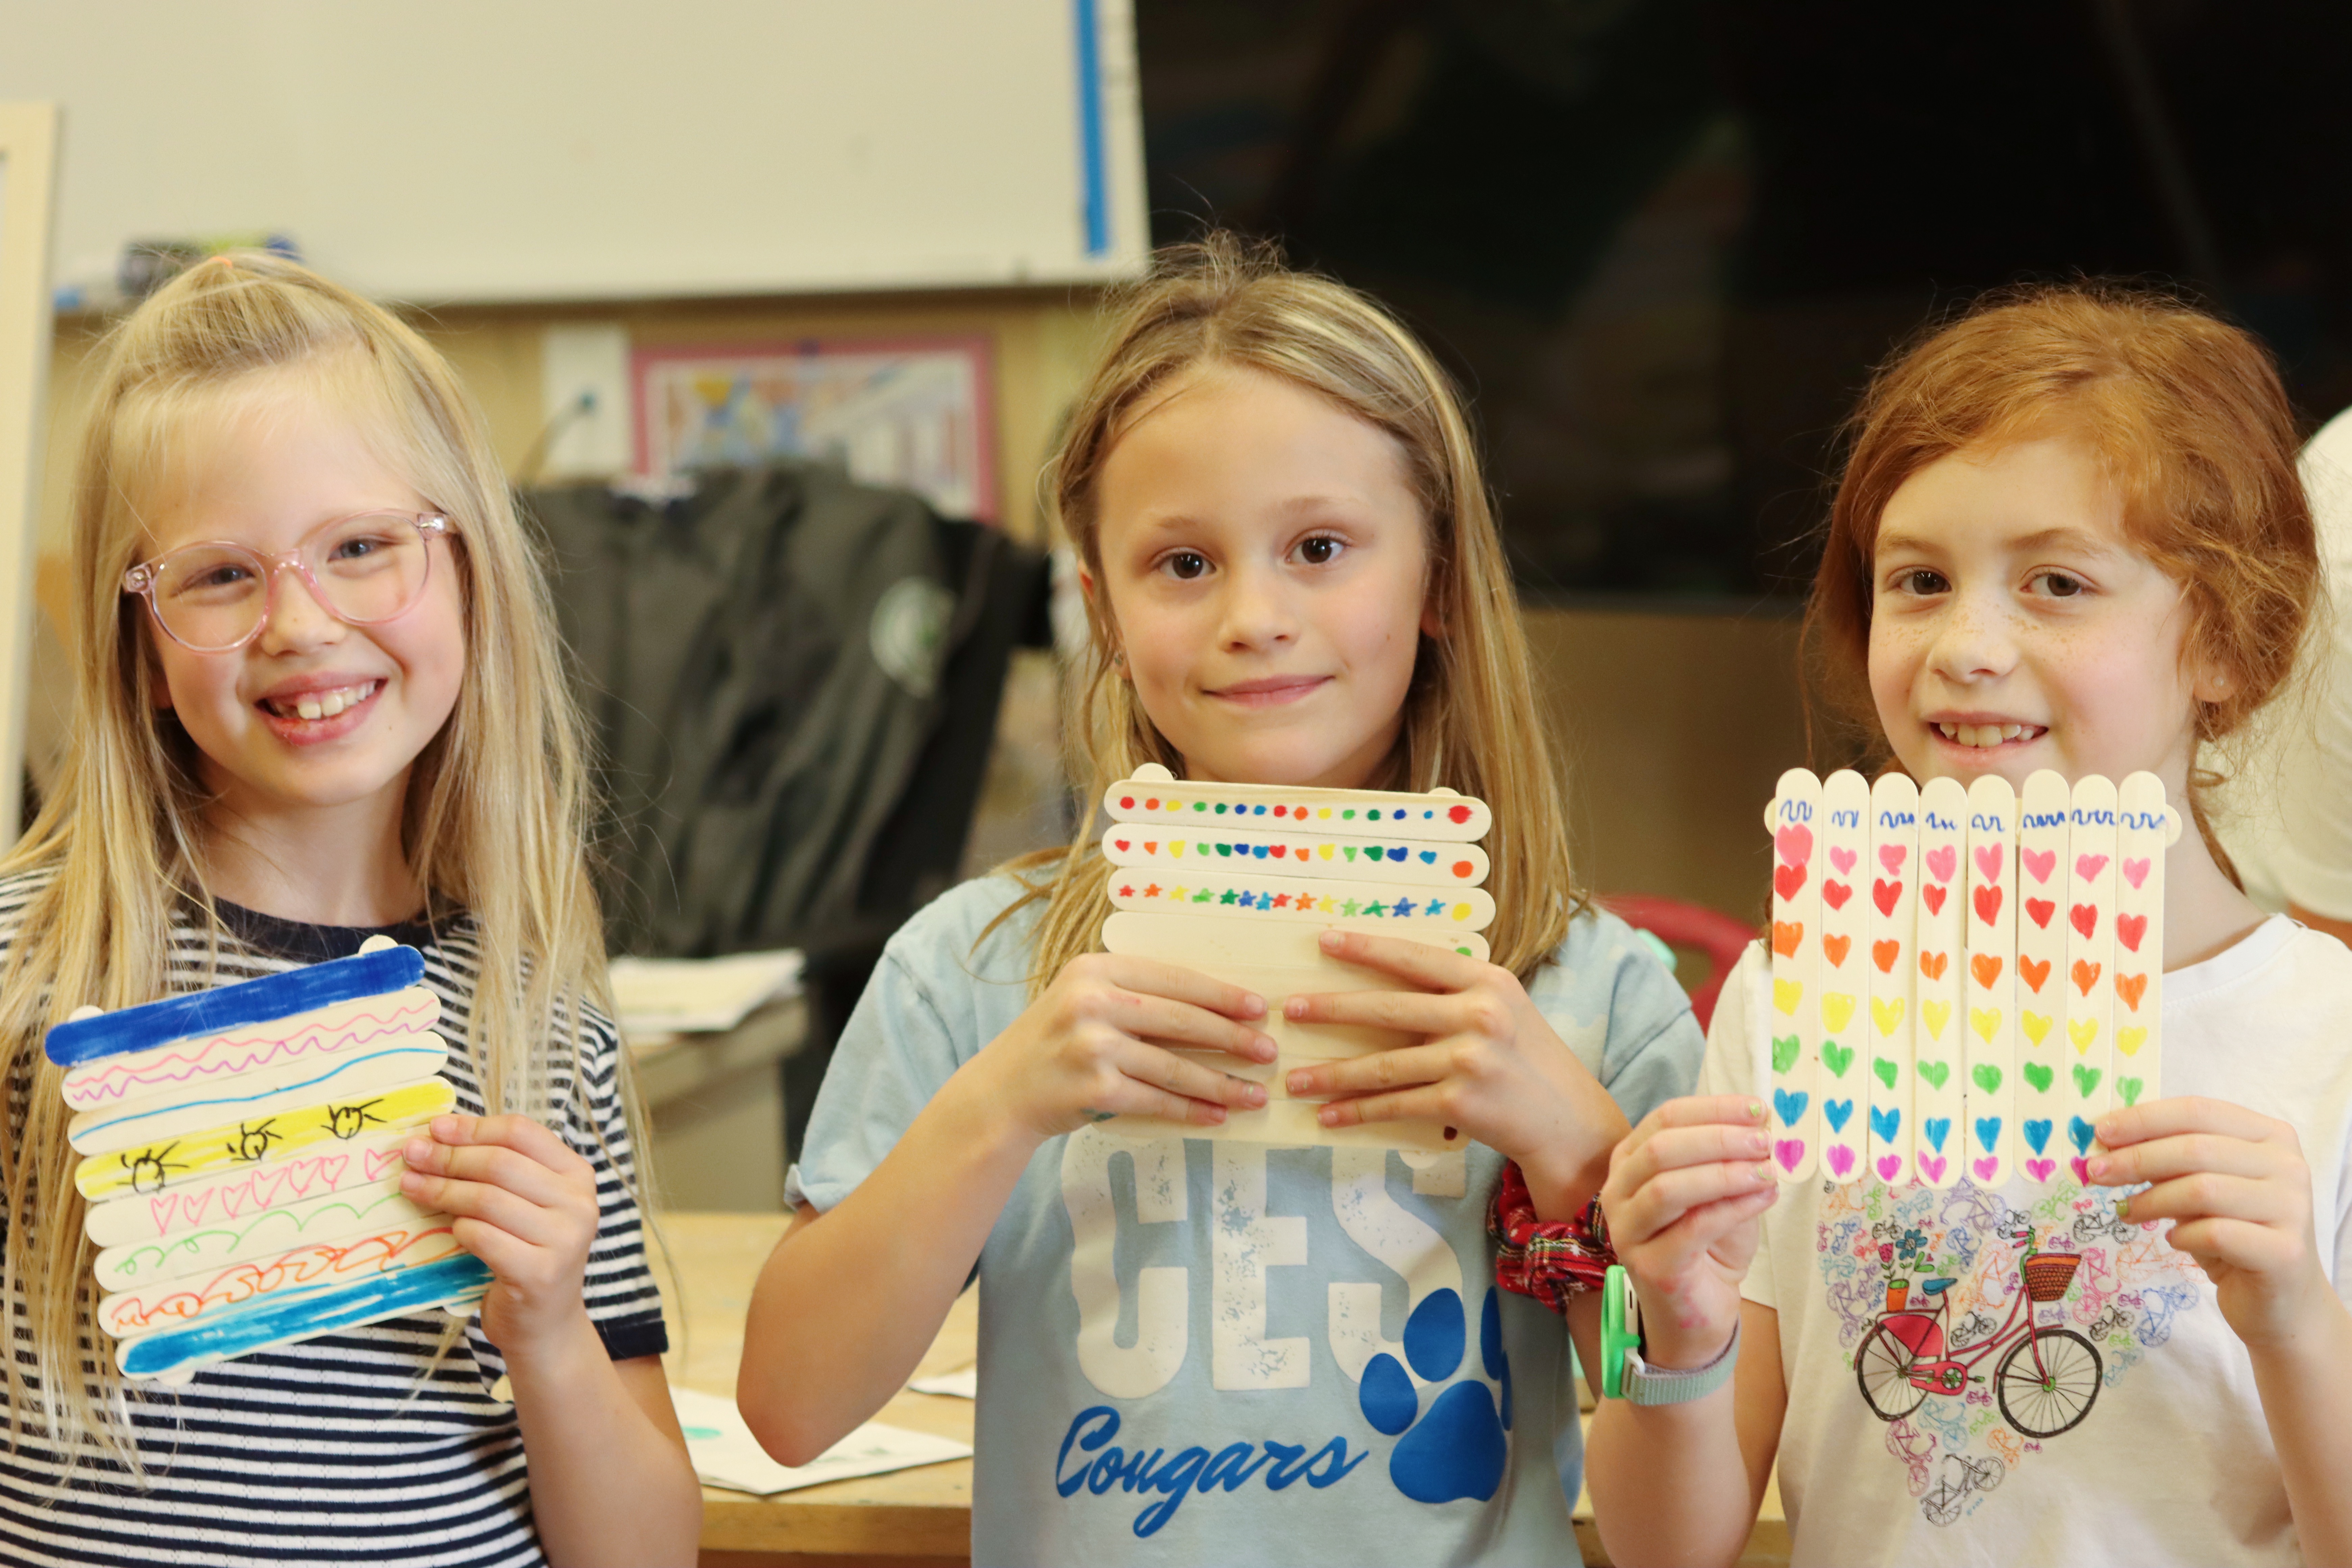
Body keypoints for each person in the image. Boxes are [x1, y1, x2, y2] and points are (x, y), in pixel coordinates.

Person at [736, 235, 1704, 1566]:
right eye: (1182, 565)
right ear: (1104, 611)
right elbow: (790, 1409)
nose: (1254, 614)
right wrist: (1004, 1100)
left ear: (1436, 580)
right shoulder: (974, 967)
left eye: (1319, 546)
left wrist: (1578, 1150)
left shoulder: (1595, 992)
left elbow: (1684, 1541)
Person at [1582, 285, 2352, 1566]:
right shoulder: (1796, 1000)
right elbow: (1669, 1550)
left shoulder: (2328, 1040)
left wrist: (2293, 1314)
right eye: (1920, 581)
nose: (1967, 645)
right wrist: (1669, 1315)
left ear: (2229, 644)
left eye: (2056, 583)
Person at [0, 255, 701, 1566]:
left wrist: (548, 1326)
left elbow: (644, 1553)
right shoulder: (29, 973)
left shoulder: (535, 1019)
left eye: (363, 547)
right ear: (137, 645)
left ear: (471, 571)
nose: (301, 623)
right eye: (219, 577)